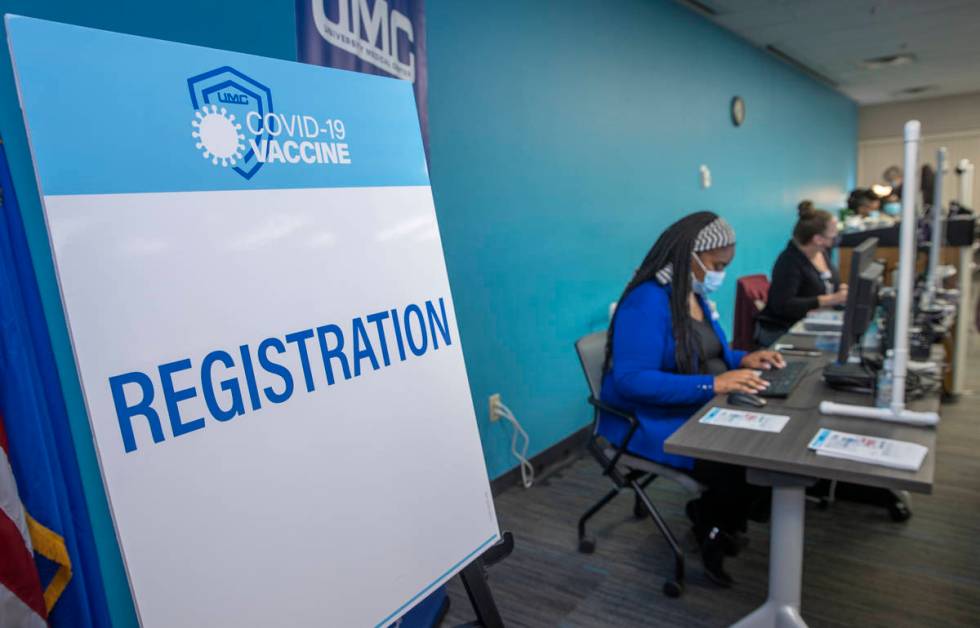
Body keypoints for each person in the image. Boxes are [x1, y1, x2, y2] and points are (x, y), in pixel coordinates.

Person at [599, 211, 785, 587]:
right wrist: (712, 386)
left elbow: (712, 352)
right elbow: (633, 381)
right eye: (718, 265)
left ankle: (721, 516)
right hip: (652, 420)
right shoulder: (646, 302)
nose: (721, 274)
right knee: (739, 460)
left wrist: (743, 359)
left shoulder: (693, 293)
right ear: (691, 257)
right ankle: (711, 525)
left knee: (764, 444)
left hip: (698, 404)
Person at [754, 206, 848, 347]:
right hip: (786, 330)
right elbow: (783, 305)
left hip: (817, 322)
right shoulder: (789, 262)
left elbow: (829, 284)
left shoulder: (822, 252)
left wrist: (840, 290)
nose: (835, 239)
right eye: (833, 235)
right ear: (817, 239)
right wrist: (829, 300)